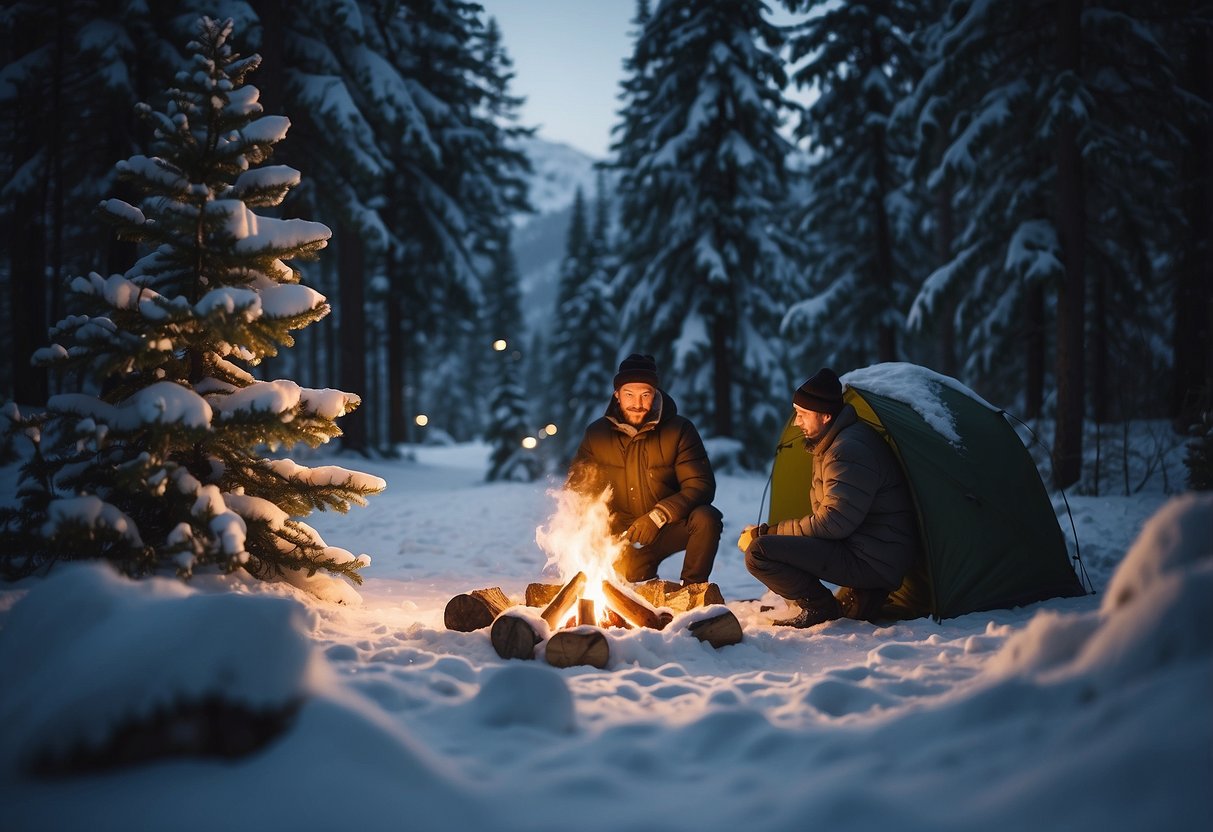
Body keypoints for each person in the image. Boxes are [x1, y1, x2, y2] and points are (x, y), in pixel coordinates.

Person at [742, 368, 919, 627]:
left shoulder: (847, 450)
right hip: (872, 549)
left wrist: (767, 532)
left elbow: (833, 522)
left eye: (802, 414)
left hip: (874, 558)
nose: (796, 422)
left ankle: (820, 608)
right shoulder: (837, 442)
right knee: (770, 544)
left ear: (825, 416)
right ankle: (858, 595)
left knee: (760, 551)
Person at [567, 353, 723, 585]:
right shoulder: (597, 434)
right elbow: (578, 488)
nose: (637, 404)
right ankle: (636, 571)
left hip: (667, 526)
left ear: (655, 394)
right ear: (617, 395)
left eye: (645, 395)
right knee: (627, 580)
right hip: (621, 535)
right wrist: (598, 528)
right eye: (629, 394)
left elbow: (700, 485)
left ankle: (693, 590)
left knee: (706, 518)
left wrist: (658, 516)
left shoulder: (679, 430)